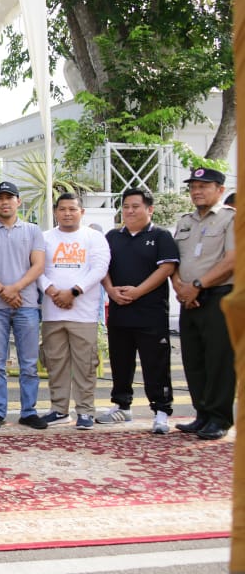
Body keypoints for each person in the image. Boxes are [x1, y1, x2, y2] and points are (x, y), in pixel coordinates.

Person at [99, 188, 179, 434]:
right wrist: (111, 291)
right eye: (126, 206)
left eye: (135, 206)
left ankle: (161, 411)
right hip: (120, 311)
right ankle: (122, 405)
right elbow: (102, 266)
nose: (130, 211)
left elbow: (166, 268)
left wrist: (138, 291)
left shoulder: (161, 236)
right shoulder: (112, 236)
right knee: (120, 361)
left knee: (155, 363)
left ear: (149, 209)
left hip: (150, 313)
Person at [171, 168, 235, 440]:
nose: (197, 191)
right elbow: (173, 259)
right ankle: (202, 413)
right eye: (193, 187)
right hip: (188, 299)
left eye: (204, 186)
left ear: (220, 190)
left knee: (219, 360)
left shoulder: (231, 219)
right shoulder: (185, 221)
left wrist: (197, 286)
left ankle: (219, 418)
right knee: (194, 359)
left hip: (218, 296)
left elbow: (232, 259)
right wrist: (180, 286)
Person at [0, 181, 48, 430]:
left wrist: (15, 288)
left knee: (28, 363)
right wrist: (2, 290)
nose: (5, 202)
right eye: (0, 198)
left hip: (26, 304)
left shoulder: (32, 231)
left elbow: (38, 266)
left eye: (10, 197)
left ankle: (29, 411)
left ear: (18, 201)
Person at [38, 193, 110, 430]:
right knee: (55, 363)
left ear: (82, 212)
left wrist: (74, 292)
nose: (67, 213)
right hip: (52, 312)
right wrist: (51, 291)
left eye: (72, 209)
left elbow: (99, 268)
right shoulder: (45, 237)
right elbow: (37, 268)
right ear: (55, 212)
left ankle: (85, 411)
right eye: (62, 209)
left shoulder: (94, 237)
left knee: (85, 364)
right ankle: (59, 410)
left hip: (83, 313)